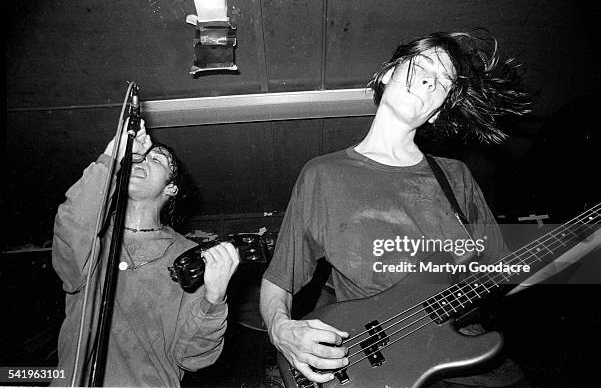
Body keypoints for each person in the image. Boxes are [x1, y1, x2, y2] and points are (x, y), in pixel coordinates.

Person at [260, 31, 531, 387]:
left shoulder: (456, 176)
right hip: (376, 367)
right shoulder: (322, 175)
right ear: (387, 74)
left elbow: (503, 269)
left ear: (436, 113)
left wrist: (585, 242)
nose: (429, 81)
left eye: (442, 83)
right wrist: (281, 330)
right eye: (422, 65)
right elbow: (278, 280)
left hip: (471, 367)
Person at [51, 120, 239, 387]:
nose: (142, 161)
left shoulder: (188, 255)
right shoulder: (92, 236)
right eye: (138, 157)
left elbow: (192, 357)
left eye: (157, 159)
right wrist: (113, 157)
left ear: (171, 188)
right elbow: (71, 231)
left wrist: (214, 299)